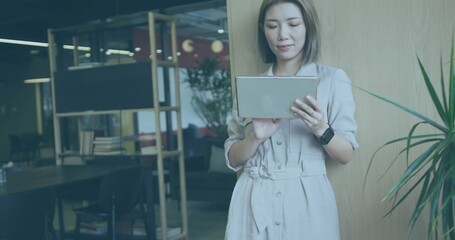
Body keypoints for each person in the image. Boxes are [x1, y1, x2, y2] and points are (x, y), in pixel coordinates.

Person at [223, 0, 359, 239]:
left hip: (307, 204)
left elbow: (345, 155)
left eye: (293, 24)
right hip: (253, 202)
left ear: (307, 26)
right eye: (272, 26)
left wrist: (320, 128)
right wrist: (255, 137)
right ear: (263, 29)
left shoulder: (332, 80)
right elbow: (233, 158)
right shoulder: (249, 88)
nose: (283, 35)